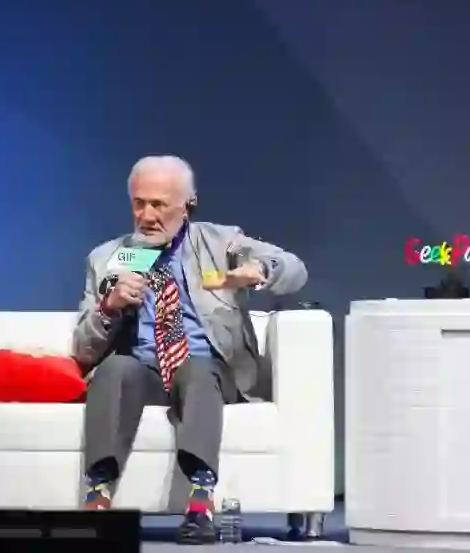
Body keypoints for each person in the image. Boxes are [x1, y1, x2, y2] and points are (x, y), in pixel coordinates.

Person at [73, 155, 308, 544]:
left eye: (159, 205)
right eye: (139, 204)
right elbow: (83, 349)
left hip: (210, 372)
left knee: (197, 369)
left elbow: (294, 268)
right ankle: (98, 498)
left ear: (188, 205)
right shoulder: (115, 258)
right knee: (115, 369)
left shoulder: (218, 242)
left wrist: (263, 271)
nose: (147, 216)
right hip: (145, 371)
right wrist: (109, 307)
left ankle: (200, 503)